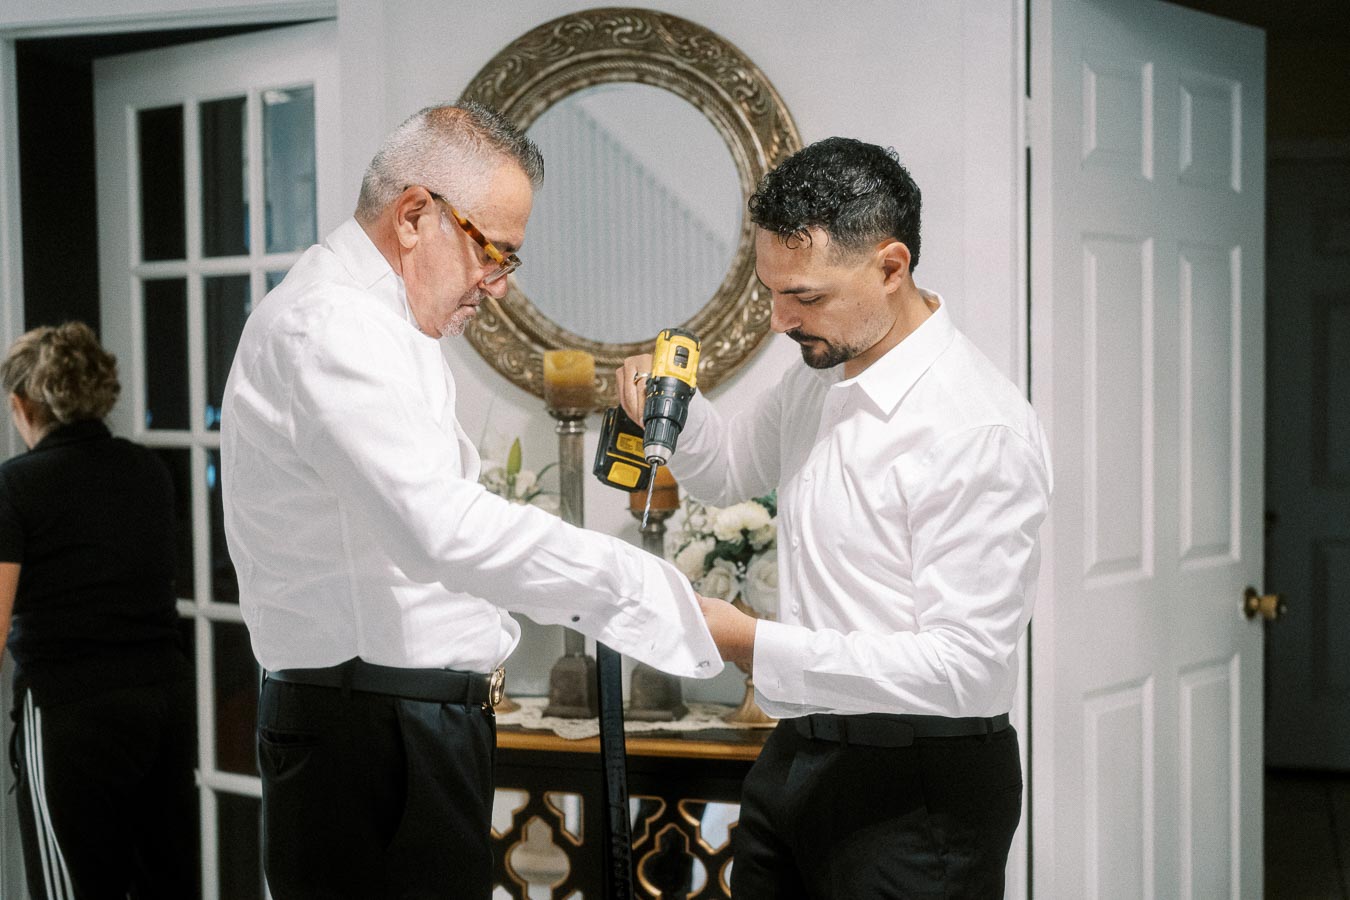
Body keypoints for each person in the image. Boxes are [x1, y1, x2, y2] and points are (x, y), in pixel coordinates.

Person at [220, 101, 721, 899]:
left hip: (402, 726)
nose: (498, 285)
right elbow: (441, 530)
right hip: (371, 733)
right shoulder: (330, 326)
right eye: (495, 252)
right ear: (414, 215)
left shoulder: (386, 326)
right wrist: (637, 587)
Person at [619, 137, 1052, 898]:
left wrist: (751, 643)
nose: (780, 320)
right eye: (771, 292)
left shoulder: (977, 429)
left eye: (806, 297)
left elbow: (964, 669)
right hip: (796, 761)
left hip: (917, 792)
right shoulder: (817, 379)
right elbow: (731, 469)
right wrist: (670, 408)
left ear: (891, 267)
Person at [0, 321, 198, 900]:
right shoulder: (147, 470)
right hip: (161, 701)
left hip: (71, 711)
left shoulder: (14, 486)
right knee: (165, 884)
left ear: (22, 405)